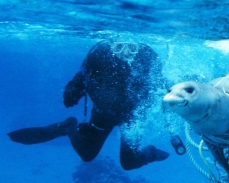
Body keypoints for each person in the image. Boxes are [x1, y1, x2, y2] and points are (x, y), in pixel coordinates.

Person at [8, 40, 185, 170]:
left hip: (133, 117)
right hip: (104, 113)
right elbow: (82, 75)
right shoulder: (99, 54)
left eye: (131, 47)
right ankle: (68, 127)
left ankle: (151, 153)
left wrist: (178, 91)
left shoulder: (147, 56)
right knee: (87, 155)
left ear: (138, 45)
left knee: (129, 163)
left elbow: (160, 80)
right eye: (119, 46)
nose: (125, 52)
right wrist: (73, 89)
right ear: (111, 44)